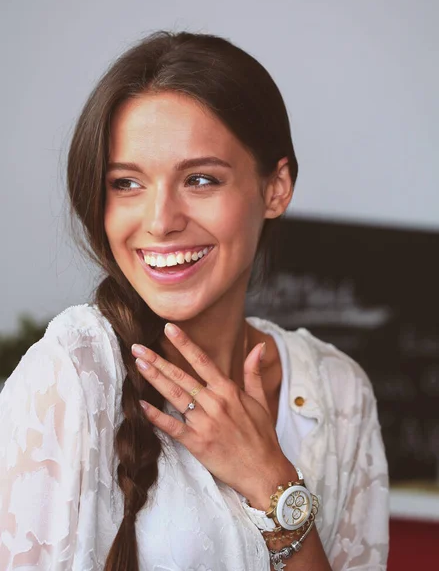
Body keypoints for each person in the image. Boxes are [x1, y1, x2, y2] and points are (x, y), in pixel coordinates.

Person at [0, 31, 389, 571]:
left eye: (200, 179)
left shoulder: (339, 393)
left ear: (275, 188)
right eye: (127, 183)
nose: (161, 221)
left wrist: (270, 482)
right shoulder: (71, 376)